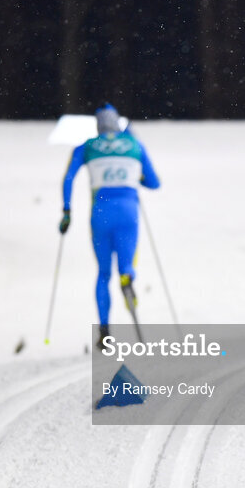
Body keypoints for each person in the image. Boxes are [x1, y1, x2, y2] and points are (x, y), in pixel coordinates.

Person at [59, 103, 160, 344]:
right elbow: (154, 183)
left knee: (103, 273)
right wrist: (135, 175)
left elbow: (69, 178)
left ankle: (104, 330)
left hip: (101, 213)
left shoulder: (87, 146)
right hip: (128, 210)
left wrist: (67, 212)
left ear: (98, 125)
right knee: (126, 264)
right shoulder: (133, 144)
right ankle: (127, 278)